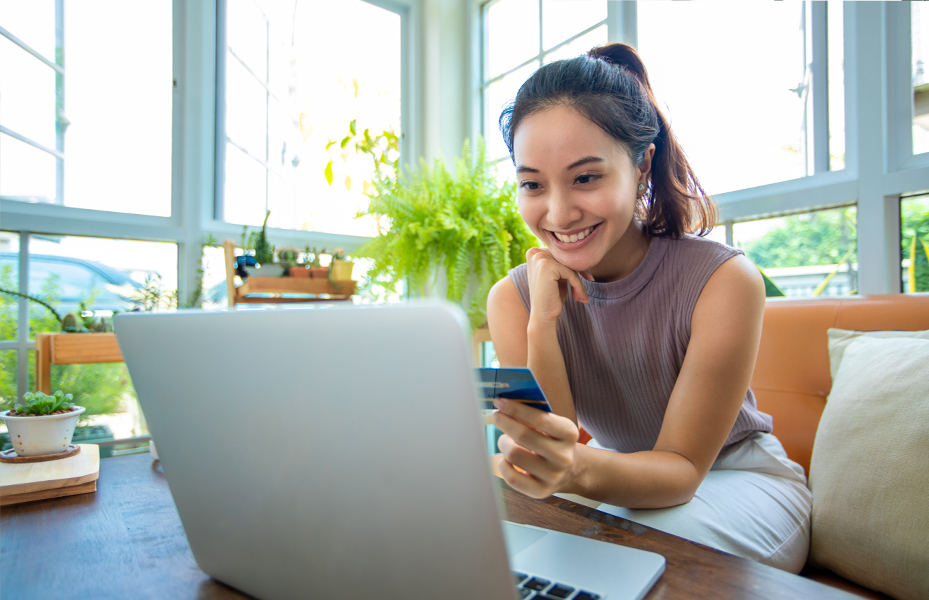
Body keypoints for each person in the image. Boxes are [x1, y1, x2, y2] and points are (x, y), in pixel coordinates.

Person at [486, 43, 812, 573]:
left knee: (614, 559)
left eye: (586, 177)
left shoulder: (723, 279)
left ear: (641, 167)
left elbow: (682, 469)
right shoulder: (513, 299)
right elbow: (557, 443)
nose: (559, 212)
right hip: (620, 474)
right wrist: (542, 324)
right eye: (532, 184)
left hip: (736, 476)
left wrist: (568, 468)